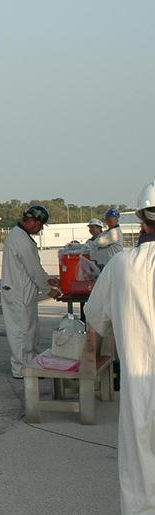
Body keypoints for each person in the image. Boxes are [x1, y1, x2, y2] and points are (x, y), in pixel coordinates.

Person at [83, 183, 155, 514]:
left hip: (139, 385)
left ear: (142, 220)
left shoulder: (123, 266)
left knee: (140, 468)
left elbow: (95, 319)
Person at [0, 205, 61, 378]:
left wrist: (48, 279)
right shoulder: (21, 240)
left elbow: (32, 267)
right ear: (33, 222)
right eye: (40, 225)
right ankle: (21, 368)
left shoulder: (21, 236)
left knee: (30, 329)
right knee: (21, 331)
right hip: (18, 291)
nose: (40, 229)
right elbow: (33, 269)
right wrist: (48, 289)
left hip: (22, 289)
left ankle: (31, 363)